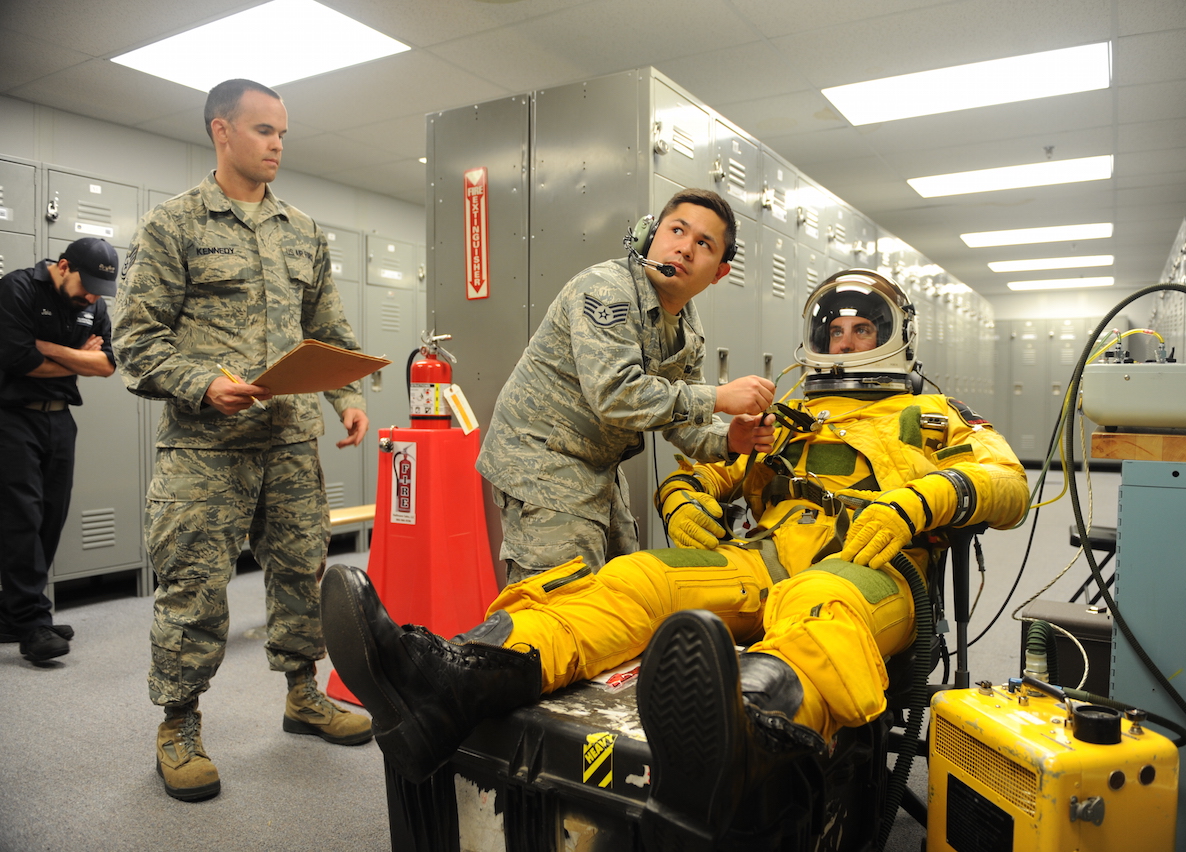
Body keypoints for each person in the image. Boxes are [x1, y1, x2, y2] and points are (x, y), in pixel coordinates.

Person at [321, 269, 1030, 847]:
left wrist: (920, 501)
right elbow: (707, 465)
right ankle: (453, 680)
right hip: (765, 559)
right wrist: (683, 499)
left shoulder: (933, 413)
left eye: (861, 330)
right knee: (636, 575)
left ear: (891, 337)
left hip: (870, 571)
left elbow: (1006, 483)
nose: (845, 343)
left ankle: (743, 740)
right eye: (834, 330)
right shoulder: (789, 416)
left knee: (825, 611)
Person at [113, 78, 373, 803]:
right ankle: (179, 724)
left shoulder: (302, 229)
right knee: (192, 589)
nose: (278, 145)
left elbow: (327, 328)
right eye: (263, 131)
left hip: (290, 441)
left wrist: (347, 394)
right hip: (205, 447)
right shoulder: (174, 225)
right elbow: (132, 341)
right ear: (220, 131)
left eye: (283, 132)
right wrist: (201, 382)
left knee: (300, 577)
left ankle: (303, 694)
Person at [475, 188, 776, 583]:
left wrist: (730, 440)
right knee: (560, 602)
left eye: (704, 244)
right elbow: (616, 395)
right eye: (677, 230)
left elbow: (682, 419)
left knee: (622, 588)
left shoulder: (687, 325)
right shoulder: (605, 289)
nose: (685, 249)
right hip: (541, 458)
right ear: (649, 234)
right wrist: (720, 397)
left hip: (594, 464)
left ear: (720, 270)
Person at [0, 238, 119, 665]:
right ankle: (32, 623)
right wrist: (77, 359)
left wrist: (49, 349)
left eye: (97, 291)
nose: (91, 296)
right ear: (63, 266)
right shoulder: (17, 289)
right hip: (13, 418)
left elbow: (107, 364)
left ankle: (15, 613)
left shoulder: (94, 306)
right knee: (22, 516)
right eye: (85, 285)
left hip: (59, 419)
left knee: (52, 515)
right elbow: (18, 359)